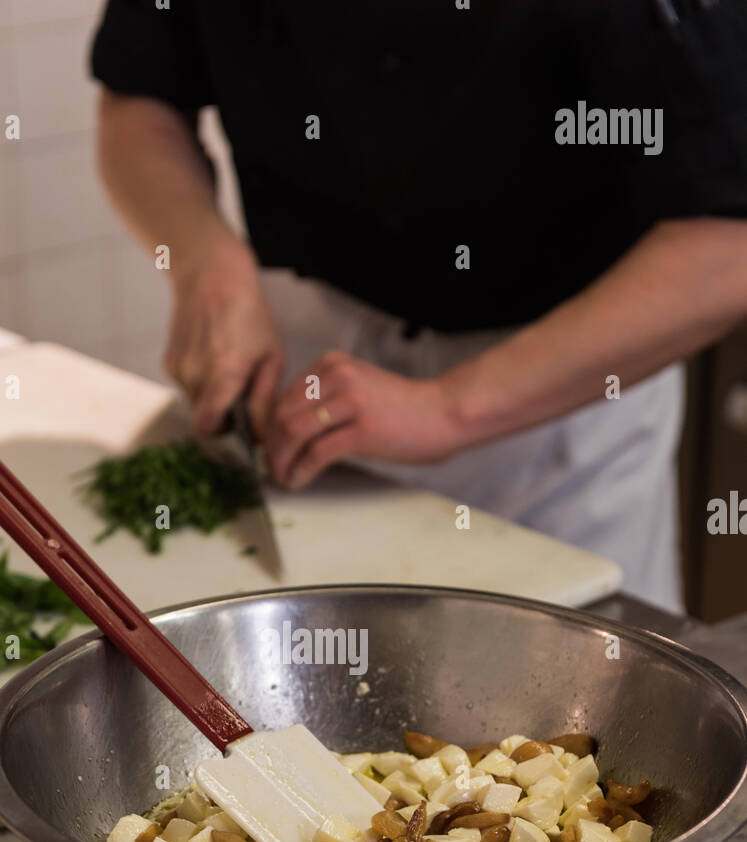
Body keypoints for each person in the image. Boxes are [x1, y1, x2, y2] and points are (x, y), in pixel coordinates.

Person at [92, 0, 747, 610]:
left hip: (556, 408)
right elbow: (139, 97)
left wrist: (450, 406)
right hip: (298, 367)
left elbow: (725, 245)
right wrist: (202, 260)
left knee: (563, 723)